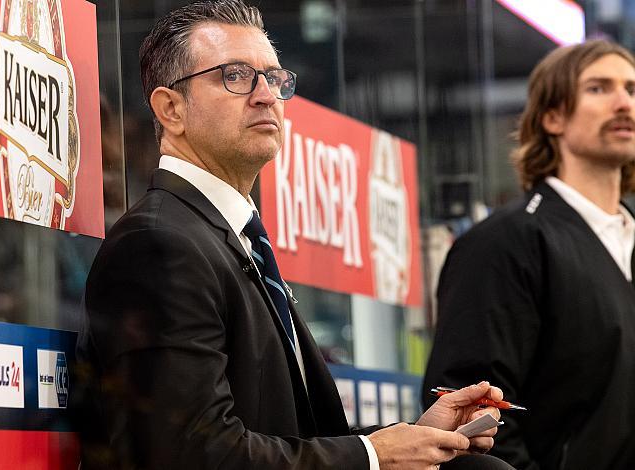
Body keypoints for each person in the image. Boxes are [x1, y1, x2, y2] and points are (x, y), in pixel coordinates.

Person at [75, 1, 513, 469]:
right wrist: (373, 455)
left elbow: (290, 436)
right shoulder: (157, 245)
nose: (266, 95)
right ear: (171, 108)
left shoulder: (227, 237)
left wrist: (414, 438)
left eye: (274, 78)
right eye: (236, 76)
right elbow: (188, 453)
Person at [422, 39, 635, 469]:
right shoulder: (505, 243)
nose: (623, 103)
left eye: (631, 89)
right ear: (552, 116)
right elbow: (475, 427)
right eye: (598, 88)